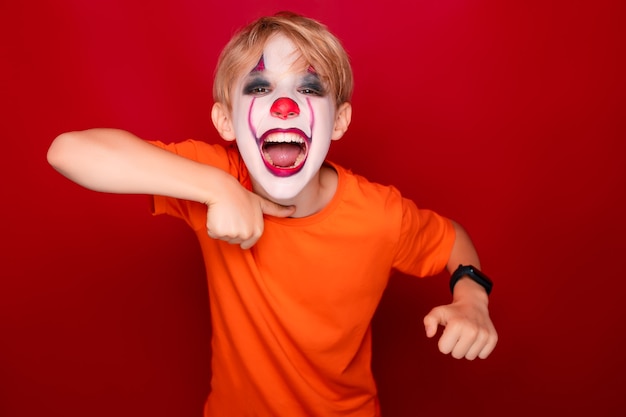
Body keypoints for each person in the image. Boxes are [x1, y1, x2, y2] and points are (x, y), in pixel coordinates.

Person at [47, 11, 498, 417]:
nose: (285, 105)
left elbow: (450, 239)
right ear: (226, 121)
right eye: (261, 88)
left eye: (308, 87)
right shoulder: (213, 177)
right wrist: (217, 187)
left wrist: (472, 299)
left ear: (339, 121)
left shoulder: (379, 214)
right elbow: (69, 151)